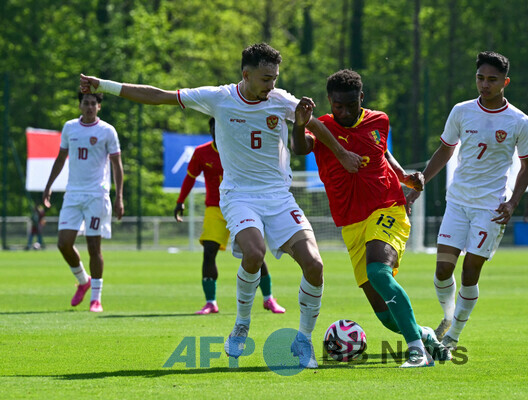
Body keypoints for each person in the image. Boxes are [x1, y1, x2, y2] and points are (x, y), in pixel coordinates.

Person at [80, 43, 362, 368]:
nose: (271, 85)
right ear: (246, 74)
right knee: (254, 254)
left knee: (315, 264)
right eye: (266, 79)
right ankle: (242, 324)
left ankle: (302, 341)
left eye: (275, 78)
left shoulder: (281, 100)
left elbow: (316, 128)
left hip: (279, 196)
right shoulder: (219, 98)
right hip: (239, 195)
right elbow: (159, 95)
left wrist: (340, 152)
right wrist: (106, 86)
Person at [291, 69, 449, 368]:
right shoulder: (322, 126)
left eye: (351, 104)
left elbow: (383, 153)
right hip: (351, 224)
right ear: (330, 102)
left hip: (387, 207)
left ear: (361, 97)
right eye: (338, 106)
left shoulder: (379, 120)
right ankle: (425, 335)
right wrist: (299, 126)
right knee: (387, 317)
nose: (345, 112)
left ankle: (417, 352)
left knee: (379, 272)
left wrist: (402, 177)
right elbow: (300, 149)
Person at [406, 51, 528, 351]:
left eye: (492, 80)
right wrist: (421, 183)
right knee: (441, 271)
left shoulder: (520, 121)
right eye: (480, 78)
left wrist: (513, 202)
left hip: (490, 208)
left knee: (469, 272)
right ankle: (448, 317)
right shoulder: (461, 111)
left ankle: (453, 337)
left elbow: (526, 166)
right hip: (458, 202)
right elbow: (445, 150)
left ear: (506, 81)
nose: (484, 85)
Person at [174, 117, 286, 314]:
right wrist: (180, 201)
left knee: (255, 252)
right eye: (214, 128)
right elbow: (190, 177)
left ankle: (268, 298)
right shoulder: (201, 153)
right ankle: (210, 302)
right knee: (208, 252)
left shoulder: (241, 150)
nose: (218, 131)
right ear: (210, 131)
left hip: (242, 207)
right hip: (215, 210)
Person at [43, 92, 124, 313]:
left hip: (96, 195)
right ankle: (83, 280)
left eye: (93, 103)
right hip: (73, 194)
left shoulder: (107, 131)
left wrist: (119, 197)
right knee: (63, 243)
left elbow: (117, 165)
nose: (89, 107)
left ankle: (96, 299)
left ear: (99, 107)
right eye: (85, 103)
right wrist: (49, 185)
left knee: (93, 246)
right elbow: (61, 158)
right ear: (80, 105)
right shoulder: (70, 127)